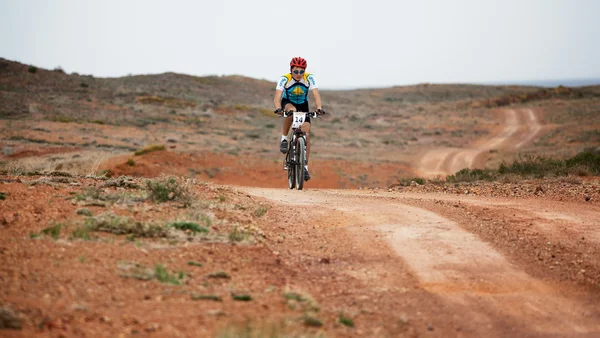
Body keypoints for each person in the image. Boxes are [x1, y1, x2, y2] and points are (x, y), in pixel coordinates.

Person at [273, 56, 325, 181]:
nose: (299, 74)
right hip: (288, 102)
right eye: (296, 71)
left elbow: (316, 94)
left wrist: (319, 108)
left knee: (306, 135)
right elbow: (277, 97)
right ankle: (285, 138)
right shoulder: (285, 78)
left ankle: (305, 167)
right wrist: (278, 108)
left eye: (301, 71)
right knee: (292, 111)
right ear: (291, 70)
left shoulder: (309, 78)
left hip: (303, 105)